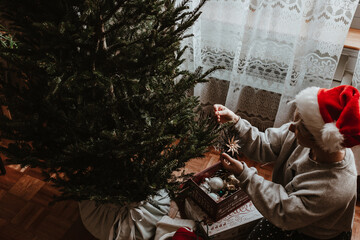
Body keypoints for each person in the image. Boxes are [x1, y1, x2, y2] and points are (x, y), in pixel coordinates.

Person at [213, 85, 360, 240]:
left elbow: (283, 211)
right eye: (294, 120)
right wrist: (236, 121)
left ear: (319, 140)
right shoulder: (301, 132)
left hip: (312, 233)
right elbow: (266, 143)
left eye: (298, 127)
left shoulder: (335, 188)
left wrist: (245, 175)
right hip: (289, 211)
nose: (290, 127)